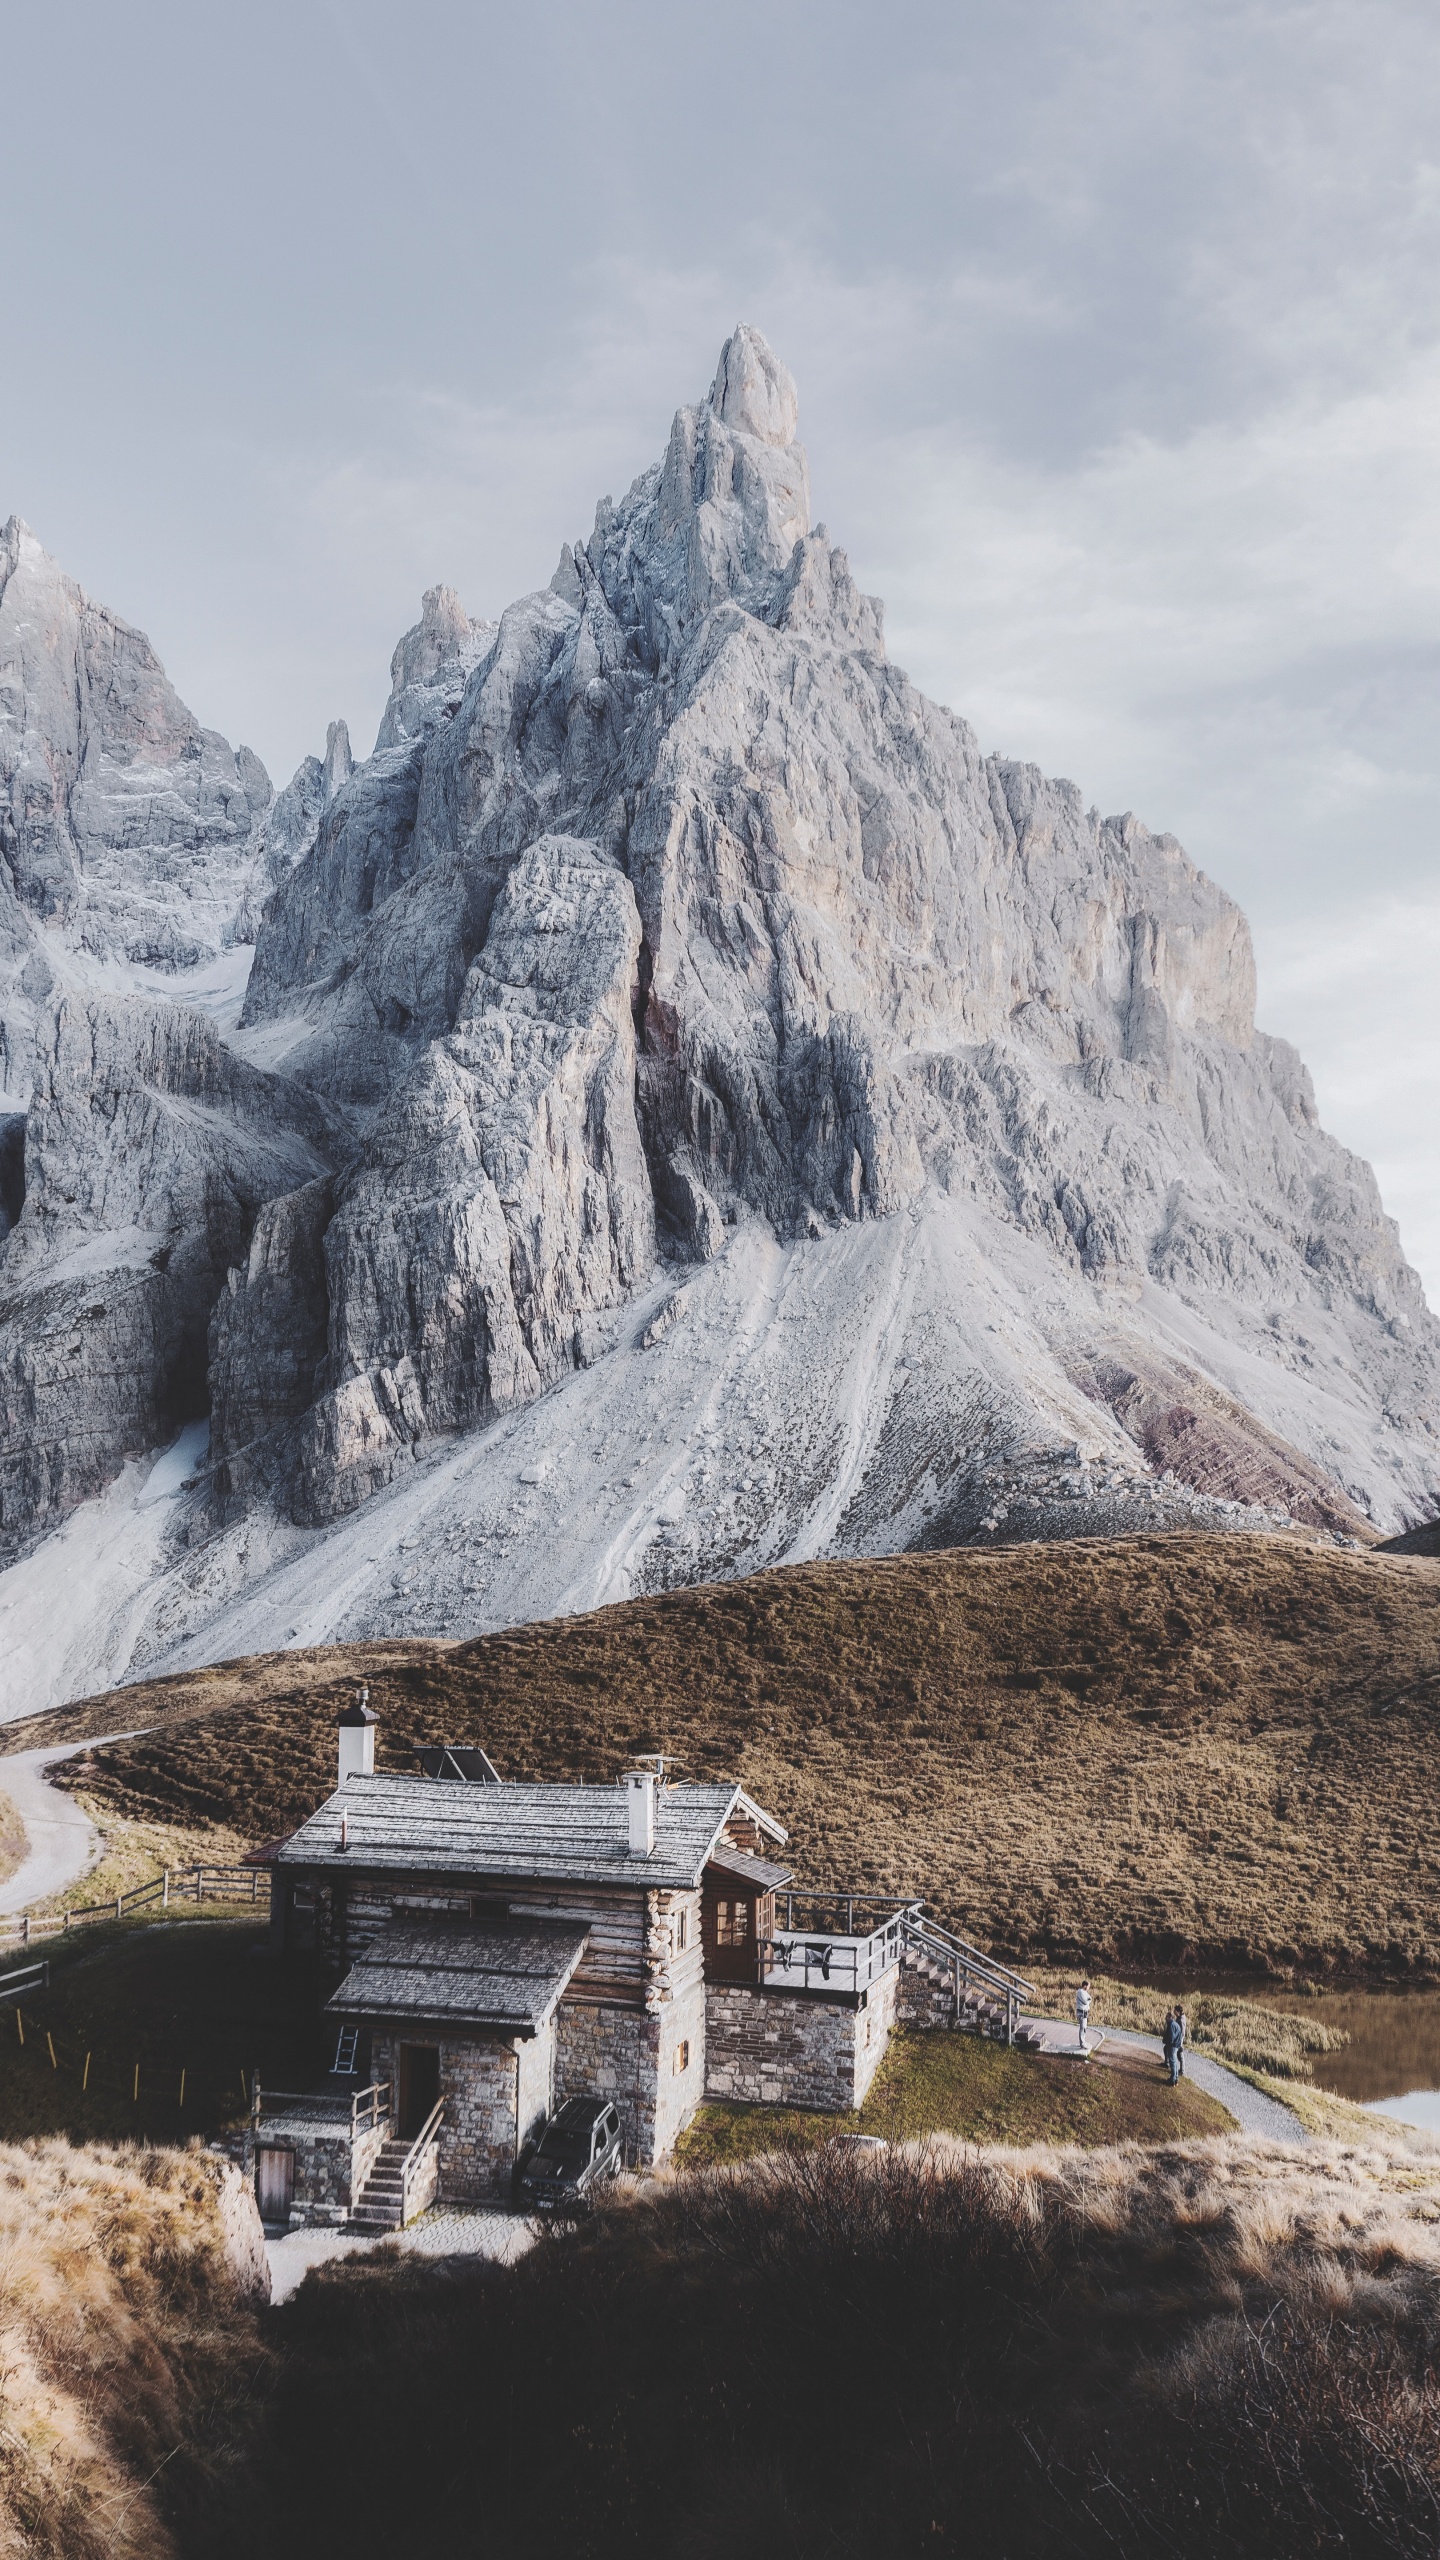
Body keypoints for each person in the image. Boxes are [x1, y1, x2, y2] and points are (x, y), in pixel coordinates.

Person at [1162, 2007, 1181, 2085]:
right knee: (1175, 2062)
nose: (1165, 2019)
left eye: (1167, 2017)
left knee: (1172, 2062)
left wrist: (1167, 2042)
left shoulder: (1171, 2025)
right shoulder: (1175, 2024)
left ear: (1170, 2017)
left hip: (1172, 2046)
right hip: (1176, 2045)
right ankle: (1175, 2078)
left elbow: (1171, 2037)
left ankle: (1172, 2080)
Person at [1075, 1978, 1092, 2052]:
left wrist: (1088, 2000)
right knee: (1082, 2028)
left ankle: (1083, 2041)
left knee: (1084, 2028)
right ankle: (1082, 2043)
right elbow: (1086, 2001)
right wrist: (1088, 2001)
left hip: (1085, 2012)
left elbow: (1090, 1998)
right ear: (1085, 1986)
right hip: (1081, 2012)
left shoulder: (1085, 1992)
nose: (1089, 1988)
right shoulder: (1080, 1992)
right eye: (1088, 1986)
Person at [1175, 2003, 1188, 2080]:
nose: (1174, 2012)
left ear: (1178, 2011)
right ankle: (1180, 2069)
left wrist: (1179, 2043)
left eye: (1175, 2011)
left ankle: (1182, 2071)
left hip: (1179, 2039)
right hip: (1178, 2038)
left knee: (1180, 2054)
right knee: (1178, 2053)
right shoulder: (1180, 2018)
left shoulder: (1181, 2020)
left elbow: (1182, 2033)